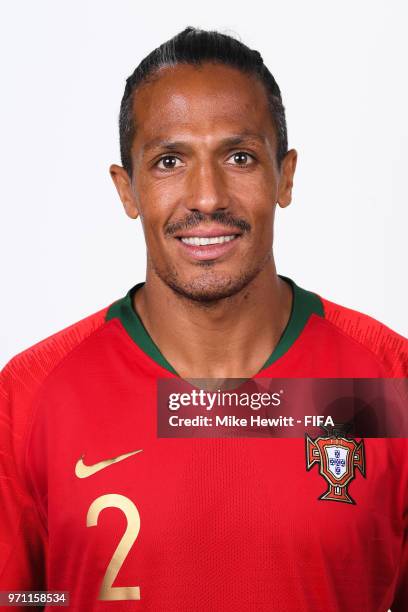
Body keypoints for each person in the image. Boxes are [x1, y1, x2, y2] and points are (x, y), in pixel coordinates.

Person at [0, 27, 407, 612]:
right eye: (169, 161)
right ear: (127, 189)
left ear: (284, 176)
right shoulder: (31, 398)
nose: (208, 196)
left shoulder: (389, 384)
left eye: (239, 157)